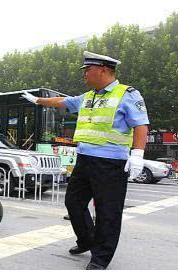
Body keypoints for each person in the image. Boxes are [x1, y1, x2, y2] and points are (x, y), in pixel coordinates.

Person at [22, 51, 149, 270]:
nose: (85, 75)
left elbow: (141, 125)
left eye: (87, 71)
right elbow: (63, 101)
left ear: (103, 70)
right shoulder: (89, 96)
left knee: (107, 212)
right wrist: (37, 100)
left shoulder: (127, 94)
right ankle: (87, 240)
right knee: (73, 202)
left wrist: (137, 155)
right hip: (85, 160)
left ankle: (100, 258)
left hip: (110, 164)